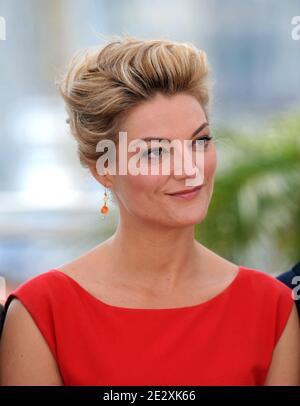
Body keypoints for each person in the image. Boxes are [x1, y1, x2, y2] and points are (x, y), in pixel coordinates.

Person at [0, 37, 299, 386]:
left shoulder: (270, 308)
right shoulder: (42, 313)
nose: (190, 169)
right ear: (104, 168)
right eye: (156, 152)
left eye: (200, 141)